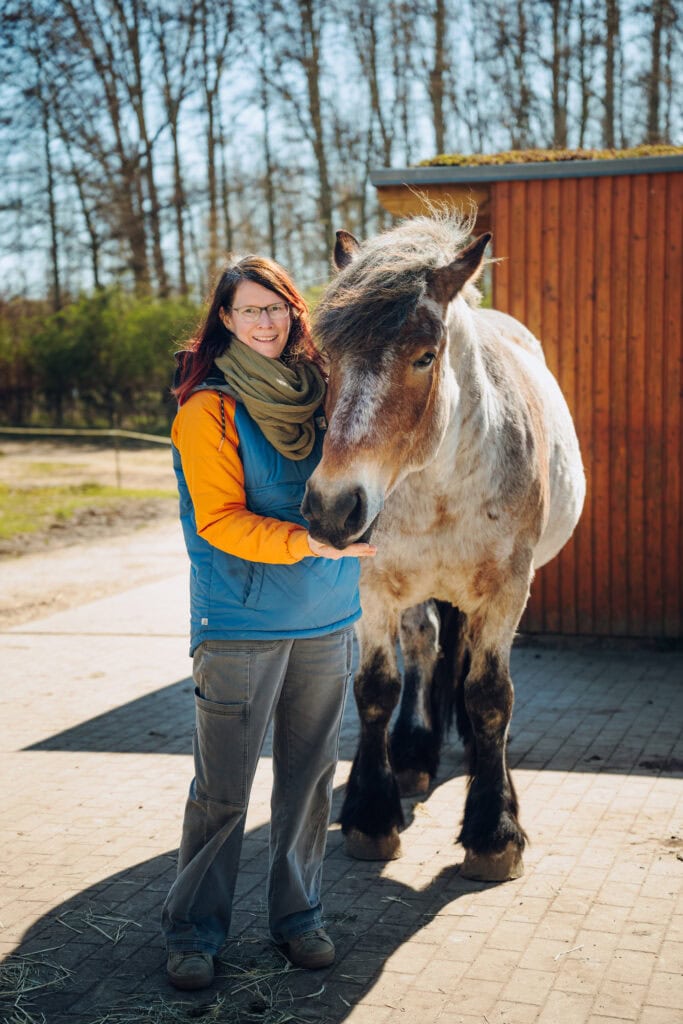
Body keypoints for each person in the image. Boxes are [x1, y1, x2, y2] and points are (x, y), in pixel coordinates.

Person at [161, 255, 375, 992]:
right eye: (248, 310)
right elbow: (219, 520)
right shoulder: (208, 410)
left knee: (310, 781)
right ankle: (194, 930)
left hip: (329, 616)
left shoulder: (330, 399)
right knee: (222, 793)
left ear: (295, 311)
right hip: (240, 623)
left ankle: (298, 917)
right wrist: (303, 541)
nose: (264, 321)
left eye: (275, 306)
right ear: (224, 319)